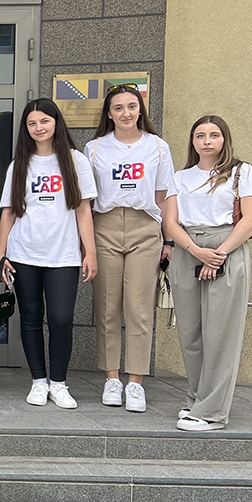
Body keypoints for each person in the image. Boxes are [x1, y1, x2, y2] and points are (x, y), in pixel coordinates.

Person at [0, 98, 98, 409]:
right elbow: (8, 213)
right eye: (32, 123)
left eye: (44, 121)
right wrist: (1, 254)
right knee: (30, 318)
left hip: (63, 254)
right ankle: (38, 381)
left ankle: (59, 383)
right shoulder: (19, 164)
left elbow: (83, 210)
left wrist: (90, 252)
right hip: (24, 252)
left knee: (61, 318)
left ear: (56, 122)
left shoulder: (76, 161)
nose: (38, 128)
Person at [82, 83, 175, 413]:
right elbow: (86, 200)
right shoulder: (94, 148)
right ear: (109, 113)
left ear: (140, 110)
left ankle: (135, 382)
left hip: (144, 227)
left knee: (139, 308)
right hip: (105, 226)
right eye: (118, 108)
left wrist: (168, 240)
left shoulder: (158, 147)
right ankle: (111, 378)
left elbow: (164, 197)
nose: (126, 113)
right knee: (107, 307)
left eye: (132, 106)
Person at [163, 115, 252, 432]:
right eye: (200, 135)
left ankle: (212, 413)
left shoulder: (241, 172)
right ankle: (197, 399)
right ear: (192, 141)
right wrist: (196, 251)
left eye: (214, 135)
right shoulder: (181, 177)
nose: (207, 140)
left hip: (226, 247)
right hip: (188, 249)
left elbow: (251, 219)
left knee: (220, 335)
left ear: (224, 139)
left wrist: (217, 255)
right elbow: (170, 222)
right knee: (191, 333)